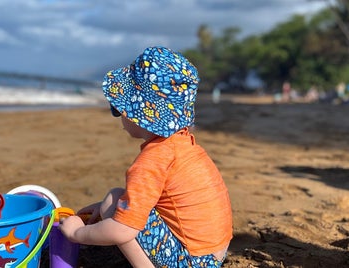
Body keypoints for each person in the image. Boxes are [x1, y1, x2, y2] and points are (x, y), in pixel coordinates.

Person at [59, 46, 233, 267]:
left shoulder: (152, 161)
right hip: (215, 252)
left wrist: (77, 233)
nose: (118, 114)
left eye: (119, 108)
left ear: (139, 114)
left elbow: (122, 231)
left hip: (195, 261)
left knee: (115, 207)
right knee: (114, 200)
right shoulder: (182, 144)